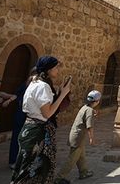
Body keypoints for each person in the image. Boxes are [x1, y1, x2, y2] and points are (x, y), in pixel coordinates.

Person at [11, 55, 72, 184]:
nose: (57, 70)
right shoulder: (42, 86)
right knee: (33, 169)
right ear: (49, 69)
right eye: (56, 68)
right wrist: (63, 95)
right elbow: (47, 113)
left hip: (33, 128)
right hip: (37, 132)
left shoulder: (35, 83)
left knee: (28, 168)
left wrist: (60, 92)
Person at [54, 90, 101, 184]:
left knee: (81, 155)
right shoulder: (90, 110)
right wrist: (92, 138)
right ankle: (58, 178)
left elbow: (85, 119)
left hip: (76, 136)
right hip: (78, 138)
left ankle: (83, 172)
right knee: (71, 159)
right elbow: (89, 126)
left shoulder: (85, 107)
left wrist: (92, 115)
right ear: (97, 101)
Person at [9, 67, 36, 170]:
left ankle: (24, 160)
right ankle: (14, 160)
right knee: (17, 137)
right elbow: (16, 95)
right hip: (22, 114)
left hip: (29, 115)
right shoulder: (26, 85)